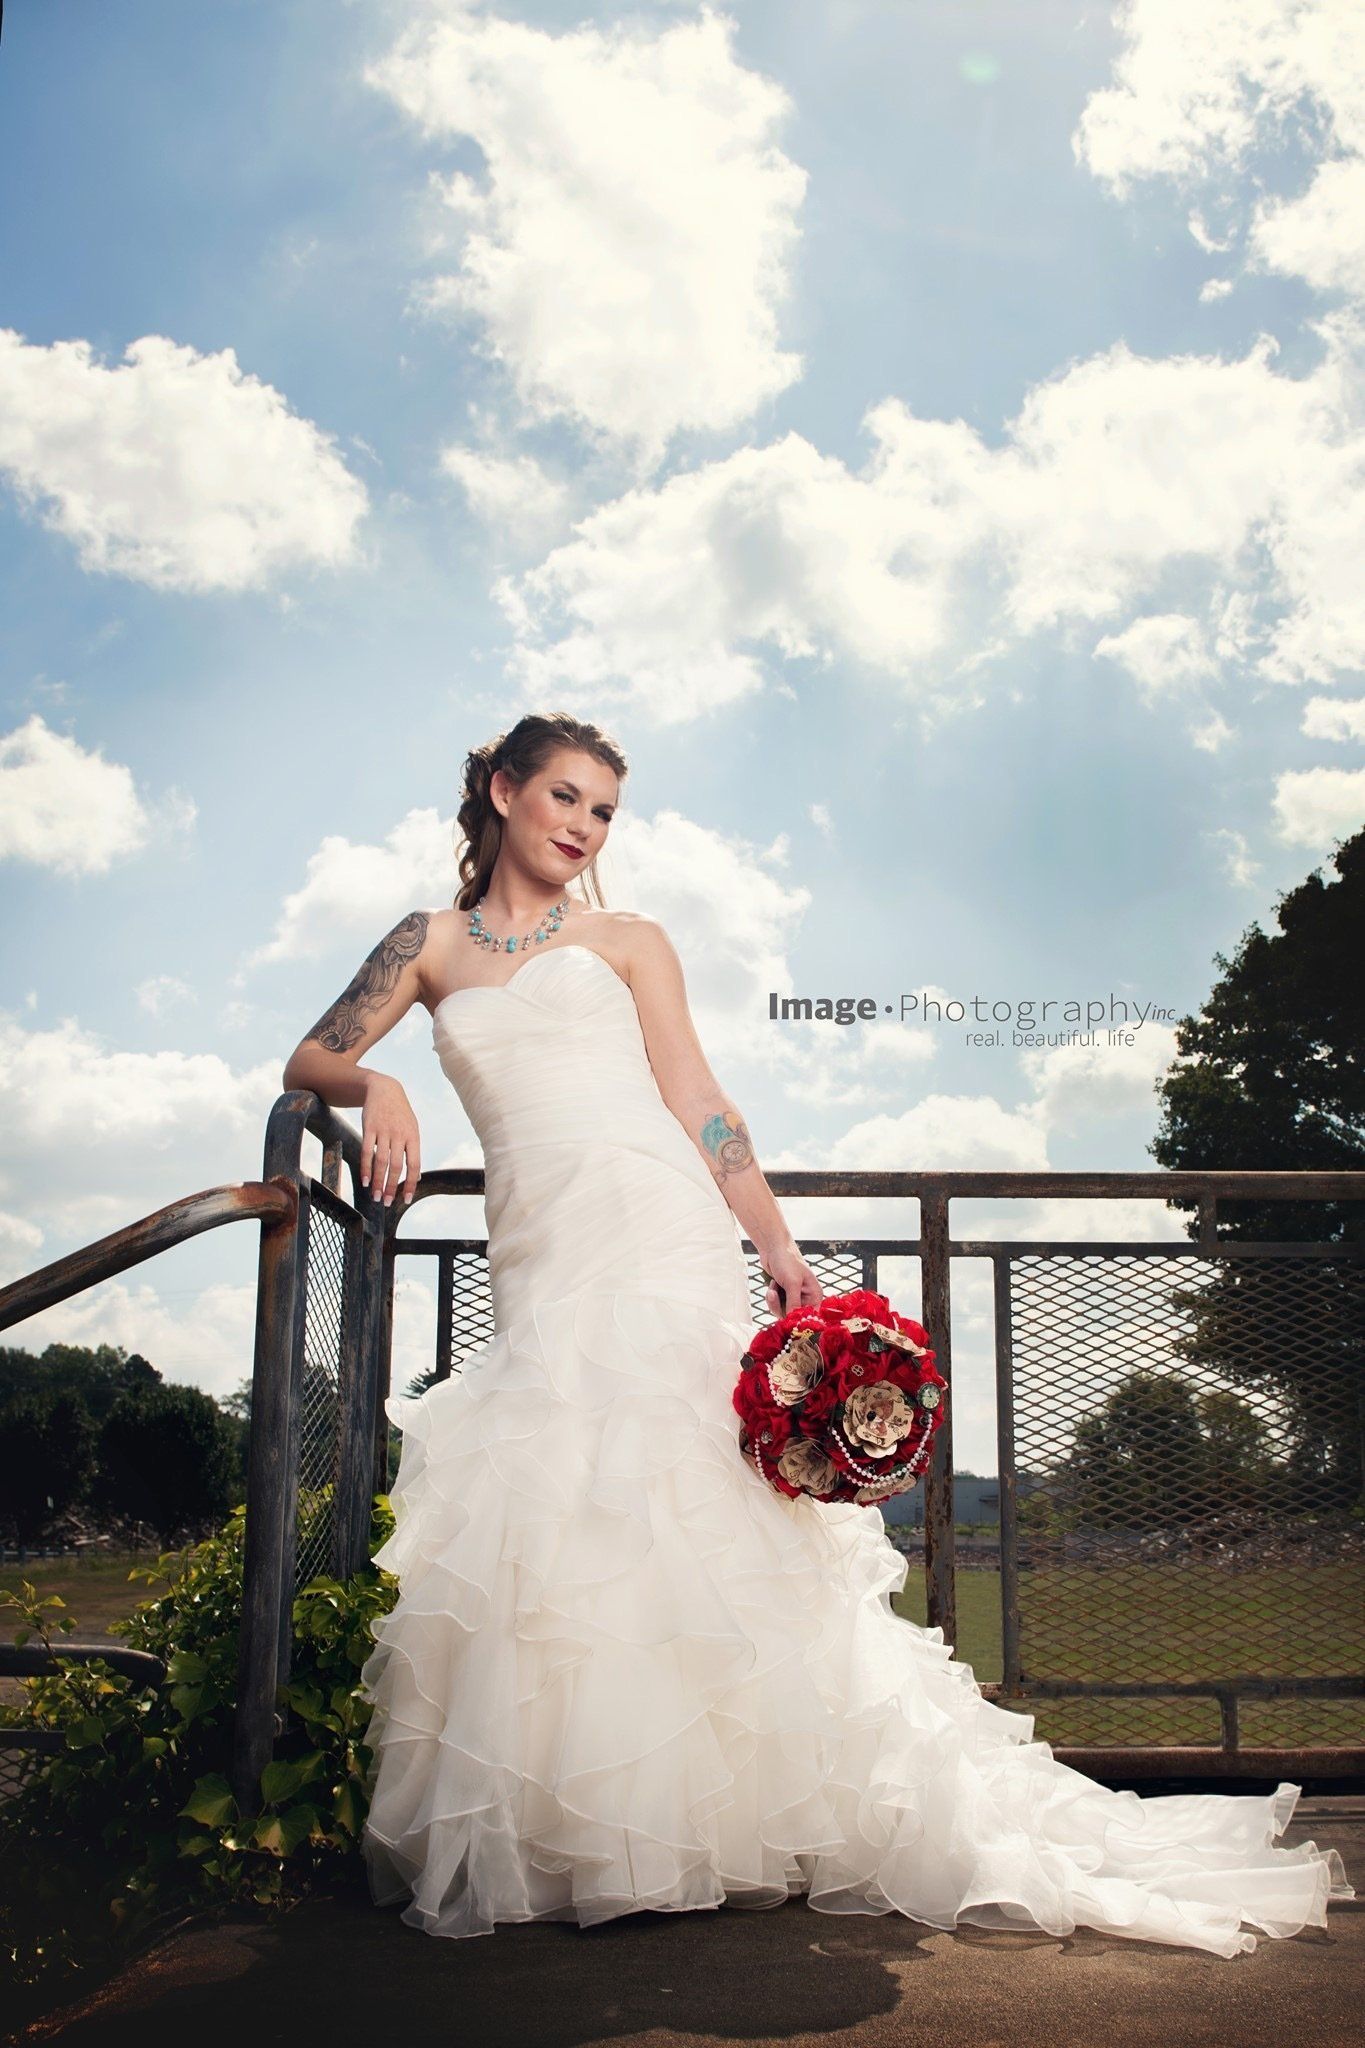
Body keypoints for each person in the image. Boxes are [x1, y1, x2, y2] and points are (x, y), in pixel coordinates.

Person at [283, 710, 1353, 1955]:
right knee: (572, 1507)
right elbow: (309, 1054)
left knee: (702, 1511)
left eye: (606, 811)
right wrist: (382, 1082)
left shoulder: (630, 940)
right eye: (566, 796)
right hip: (545, 1252)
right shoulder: (429, 944)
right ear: (505, 789)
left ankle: (728, 1817)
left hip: (664, 1231)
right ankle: (592, 1826)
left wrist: (778, 1247)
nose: (583, 827)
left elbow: (699, 1099)